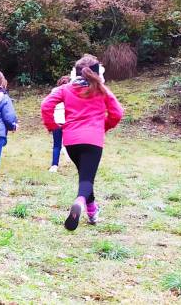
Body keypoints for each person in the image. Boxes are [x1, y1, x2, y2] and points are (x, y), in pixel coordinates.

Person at [41, 54, 123, 230]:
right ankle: (79, 201)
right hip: (93, 140)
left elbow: (46, 105)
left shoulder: (65, 89)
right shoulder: (102, 90)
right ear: (97, 72)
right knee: (86, 181)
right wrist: (104, 127)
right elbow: (117, 113)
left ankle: (92, 212)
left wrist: (53, 126)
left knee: (85, 177)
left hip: (70, 141)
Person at [49, 75, 70, 172]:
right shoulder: (72, 92)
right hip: (68, 122)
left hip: (56, 121)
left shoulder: (54, 92)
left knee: (56, 145)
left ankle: (54, 165)